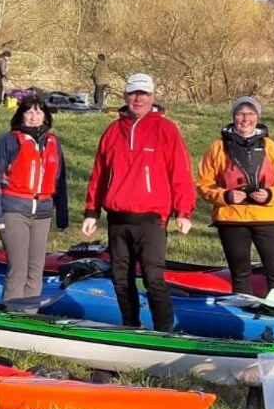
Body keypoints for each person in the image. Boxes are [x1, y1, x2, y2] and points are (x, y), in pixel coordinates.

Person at [81, 74, 195, 331]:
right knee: (121, 279)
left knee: (154, 278)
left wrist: (183, 211)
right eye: (133, 94)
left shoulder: (166, 129)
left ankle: (164, 331)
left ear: (153, 97)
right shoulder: (112, 131)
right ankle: (130, 327)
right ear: (125, 96)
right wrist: (91, 211)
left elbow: (180, 173)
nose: (138, 99)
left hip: (152, 219)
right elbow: (99, 174)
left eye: (144, 94)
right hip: (118, 219)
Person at [196, 96, 274, 296]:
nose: (245, 119)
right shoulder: (217, 148)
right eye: (240, 113)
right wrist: (226, 196)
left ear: (257, 117)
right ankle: (242, 316)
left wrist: (269, 195)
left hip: (269, 218)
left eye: (251, 114)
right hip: (232, 219)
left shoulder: (270, 147)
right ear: (233, 116)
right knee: (240, 275)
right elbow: (203, 185)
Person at [0, 93, 69, 301]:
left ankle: (28, 315)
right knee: (19, 268)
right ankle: (10, 314)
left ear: (45, 116)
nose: (33, 116)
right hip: (14, 211)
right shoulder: (9, 141)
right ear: (21, 114)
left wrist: (62, 215)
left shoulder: (53, 143)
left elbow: (60, 179)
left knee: (35, 270)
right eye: (29, 111)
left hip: (42, 213)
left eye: (38, 112)